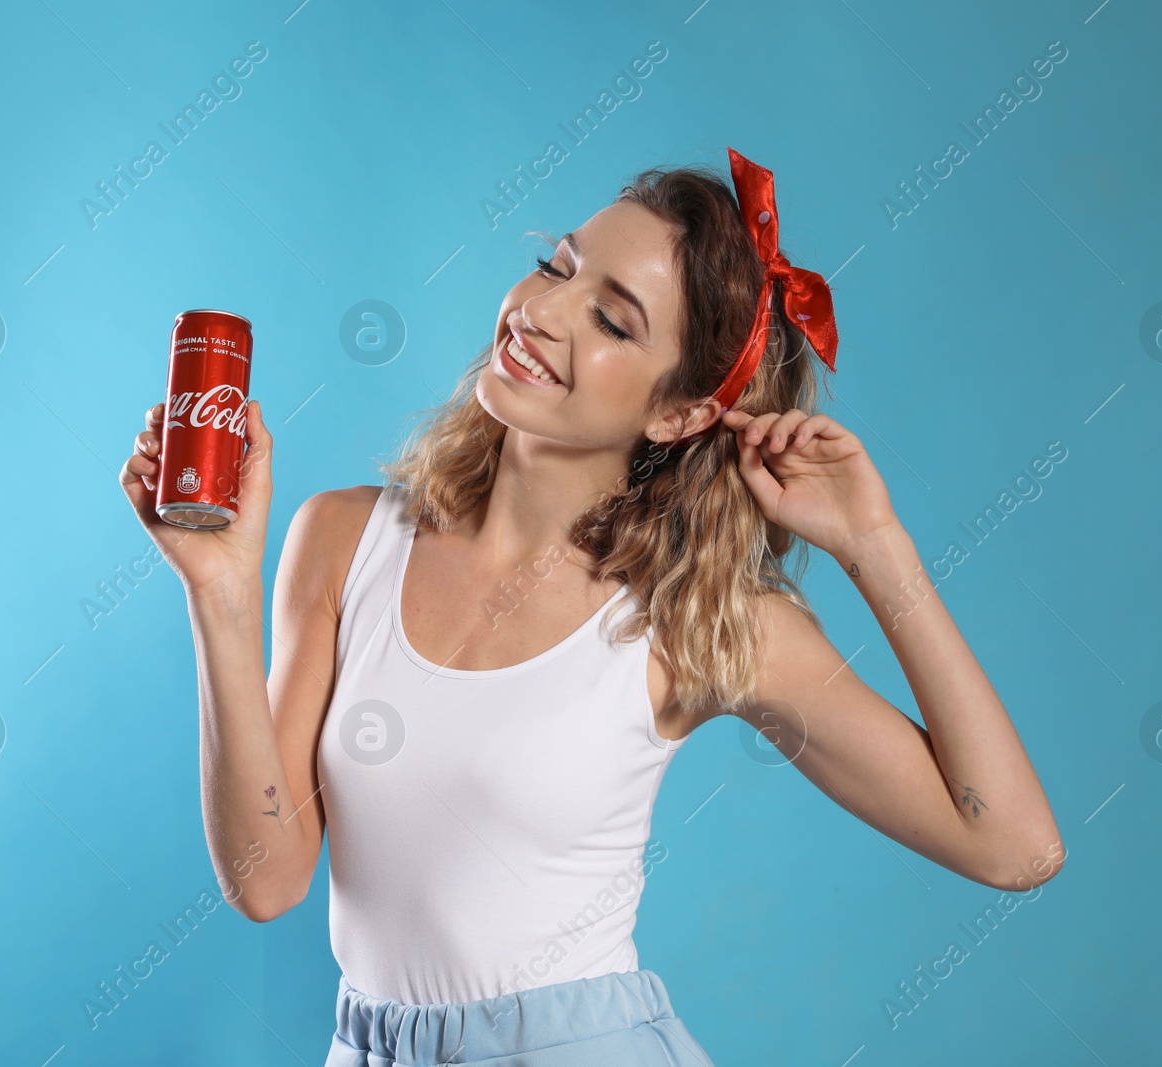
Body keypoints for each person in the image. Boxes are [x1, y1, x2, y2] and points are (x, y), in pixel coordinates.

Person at [119, 147, 1065, 1065]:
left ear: (680, 413)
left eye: (613, 321)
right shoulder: (341, 538)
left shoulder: (691, 623)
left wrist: (875, 548)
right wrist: (221, 591)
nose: (542, 311)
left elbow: (1012, 844)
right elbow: (267, 877)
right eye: (554, 266)